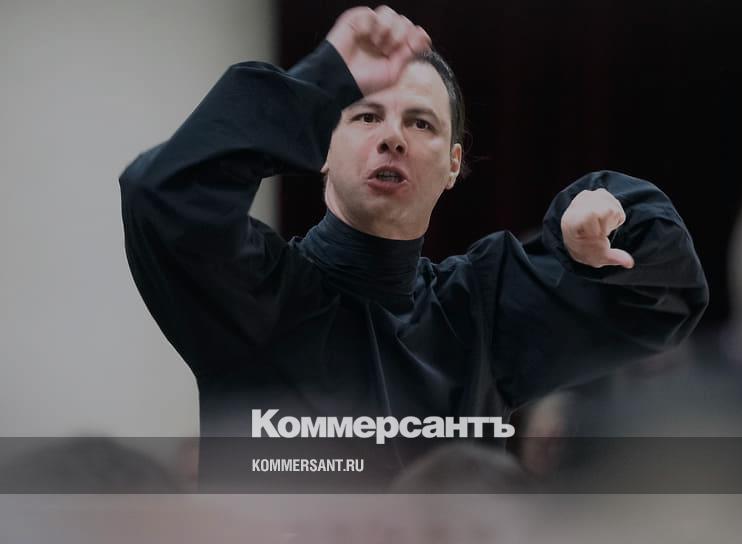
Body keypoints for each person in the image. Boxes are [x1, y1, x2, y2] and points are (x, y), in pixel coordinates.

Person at [119, 6, 708, 487]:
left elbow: (667, 297)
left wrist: (598, 226)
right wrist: (319, 82)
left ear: (453, 164)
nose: (393, 138)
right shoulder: (255, 292)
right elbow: (162, 195)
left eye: (421, 123)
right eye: (366, 117)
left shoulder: (480, 310)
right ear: (320, 147)